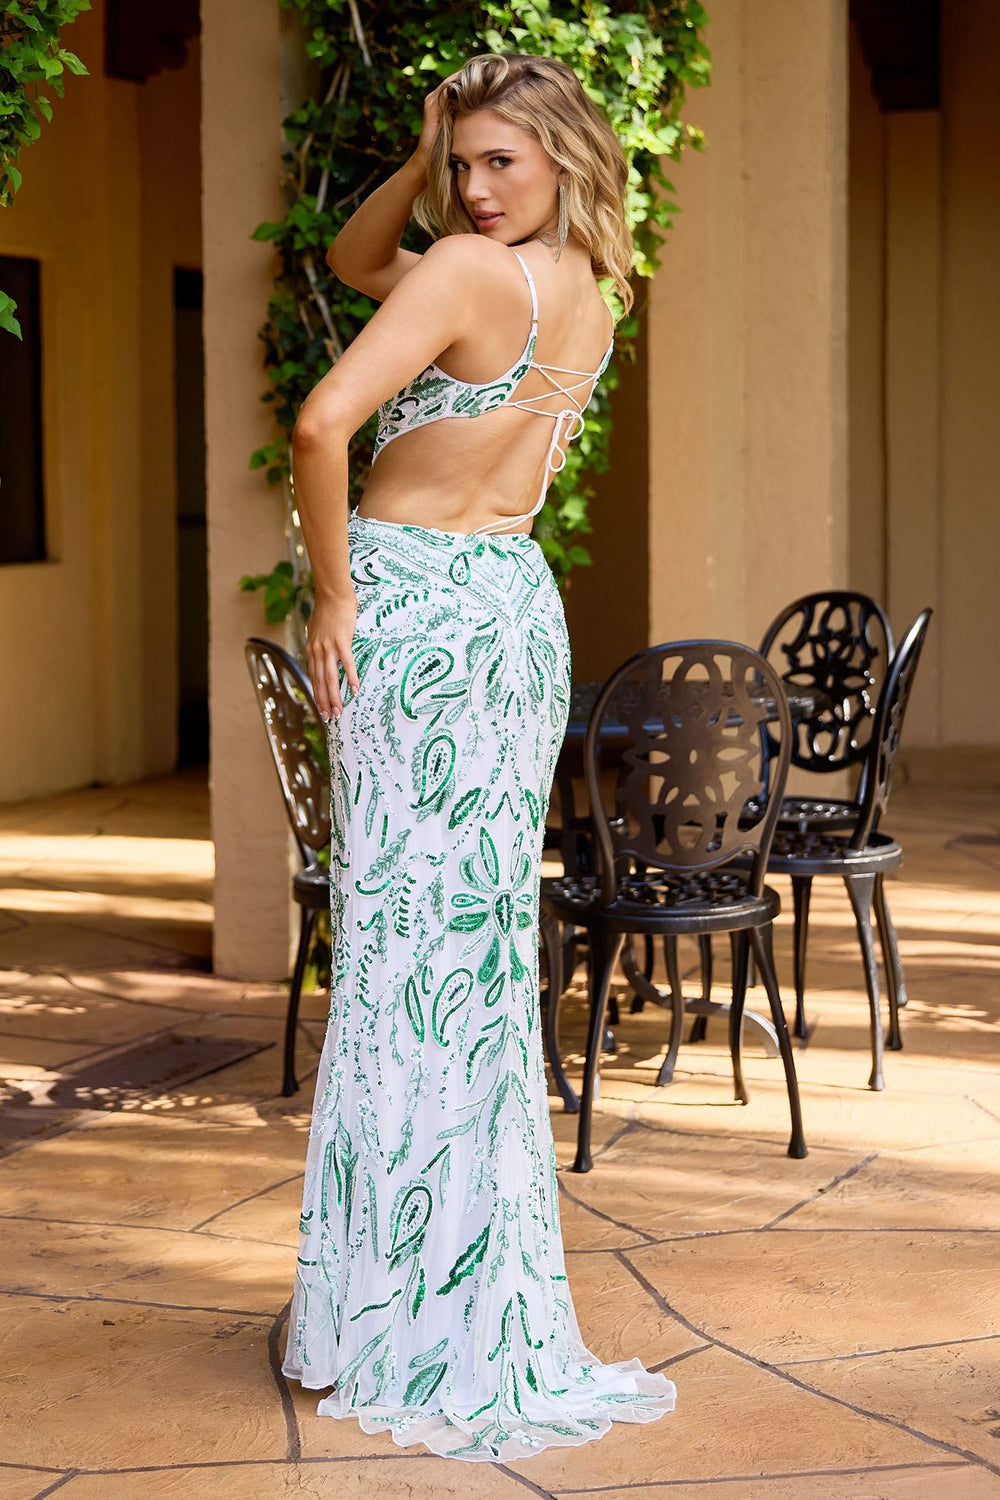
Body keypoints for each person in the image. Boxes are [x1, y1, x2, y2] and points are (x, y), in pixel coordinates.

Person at [281, 50, 676, 1462]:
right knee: (474, 960)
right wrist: (424, 149)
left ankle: (395, 1307)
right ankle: (463, 1292)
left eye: (502, 159)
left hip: (413, 609)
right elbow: (356, 258)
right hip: (508, 609)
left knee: (403, 953)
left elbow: (322, 422)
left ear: (564, 152)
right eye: (463, 165)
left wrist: (335, 594)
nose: (474, 187)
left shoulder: (463, 271)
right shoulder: (590, 292)